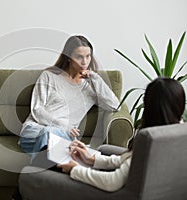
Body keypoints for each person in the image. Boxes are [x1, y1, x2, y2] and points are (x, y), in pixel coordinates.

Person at [57, 77, 186, 192]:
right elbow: (132, 161)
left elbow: (112, 182)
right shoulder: (177, 133)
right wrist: (92, 160)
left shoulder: (149, 140)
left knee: (40, 177)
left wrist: (75, 169)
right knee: (102, 150)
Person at [19, 35, 119, 159]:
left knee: (55, 141)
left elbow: (114, 105)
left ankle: (39, 171)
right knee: (50, 134)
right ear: (68, 58)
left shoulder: (91, 87)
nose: (84, 62)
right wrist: (63, 126)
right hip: (34, 132)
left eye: (88, 56)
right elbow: (37, 110)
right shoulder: (49, 76)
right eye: (79, 57)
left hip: (62, 137)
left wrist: (95, 78)